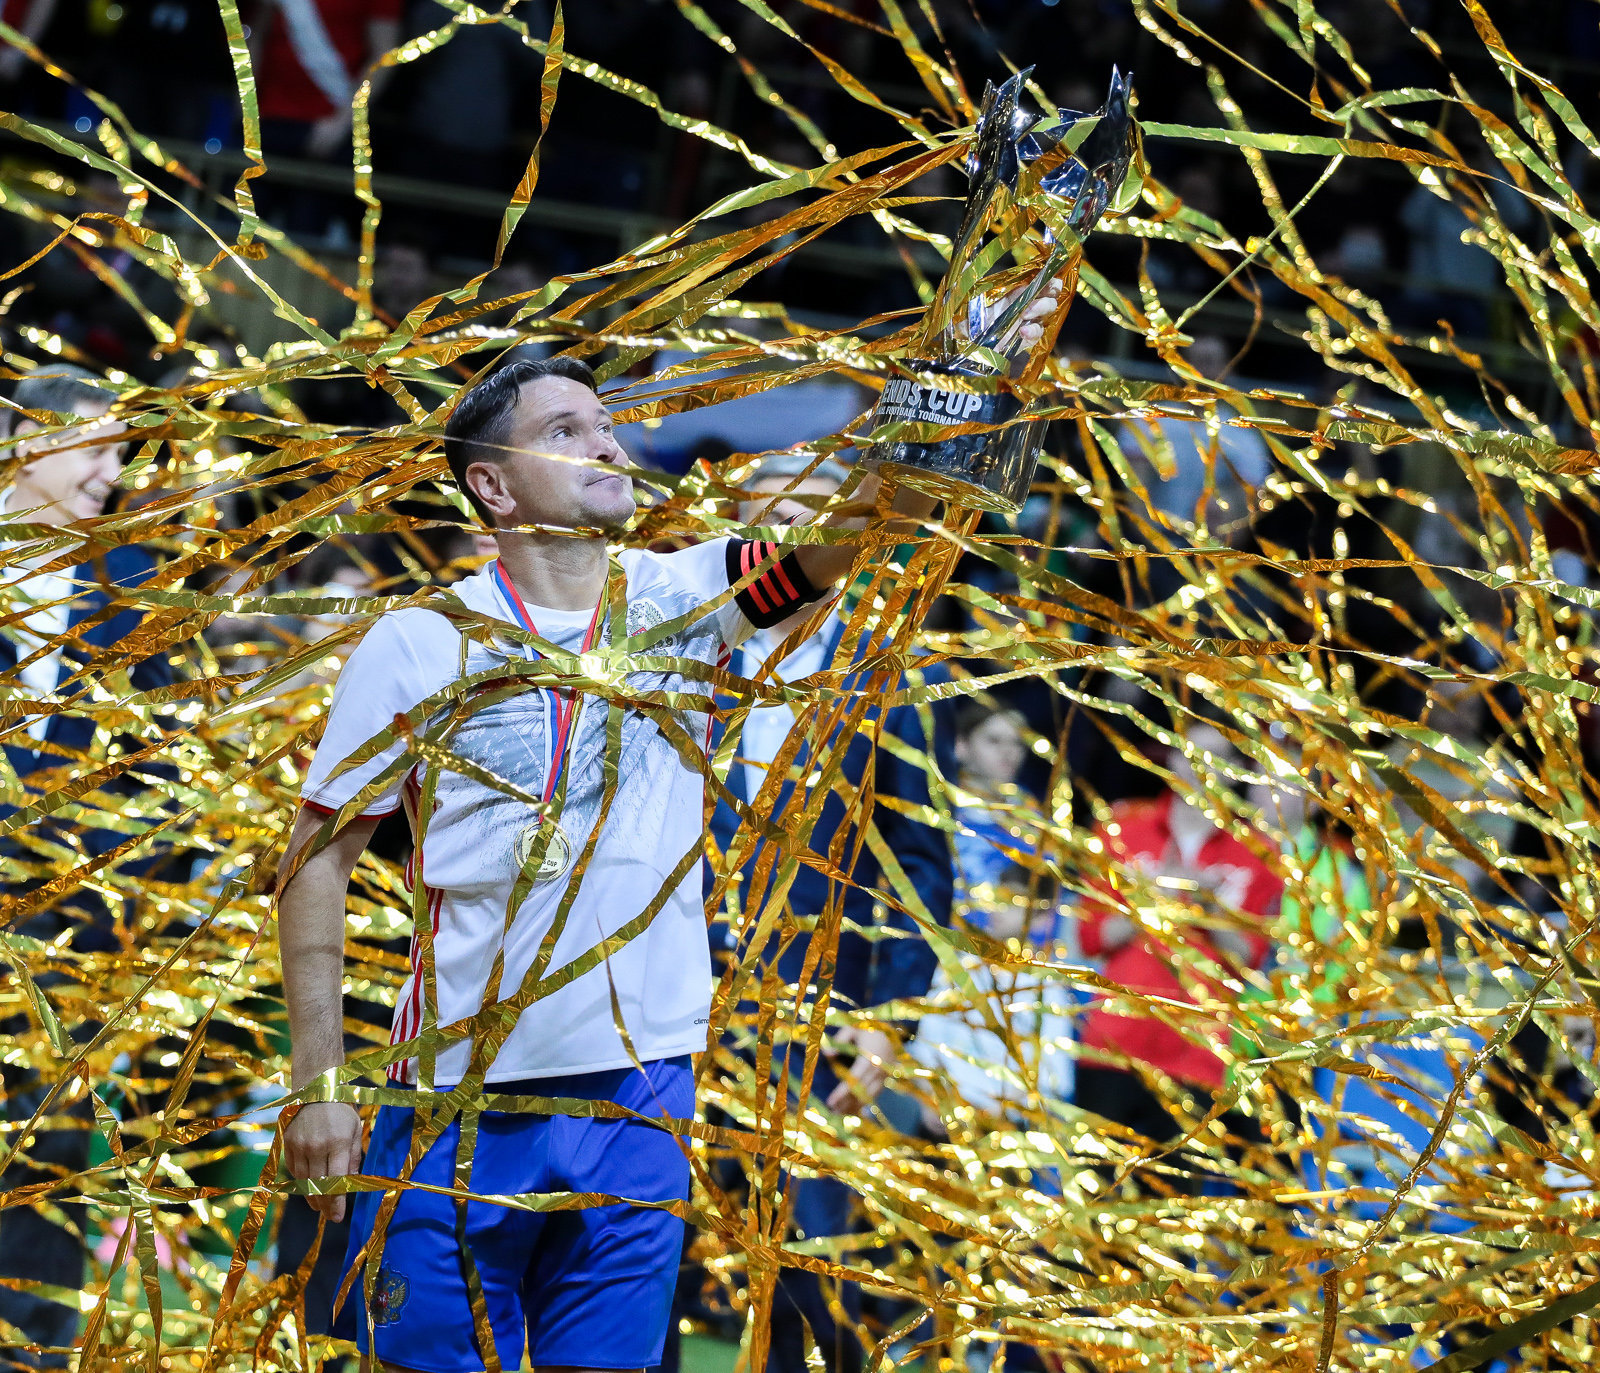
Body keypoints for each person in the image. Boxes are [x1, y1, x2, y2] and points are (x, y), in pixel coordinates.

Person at [277, 279, 1061, 1373]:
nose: (605, 444)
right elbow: (316, 858)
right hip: (452, 1091)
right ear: (493, 485)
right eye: (565, 429)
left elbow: (854, 526)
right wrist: (317, 1077)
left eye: (606, 423)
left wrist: (962, 373)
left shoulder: (687, 597)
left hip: (642, 1094)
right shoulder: (416, 641)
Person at [704, 450, 958, 1373]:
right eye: (762, 513)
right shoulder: (693, 650)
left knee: (811, 1268)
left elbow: (922, 866)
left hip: (818, 1022)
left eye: (808, 508)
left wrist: (892, 1017)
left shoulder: (889, 665)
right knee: (646, 1253)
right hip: (669, 1002)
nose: (788, 532)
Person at [0, 364, 172, 1372]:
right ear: (25, 444)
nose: (115, 472)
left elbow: (164, 775)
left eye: (122, 453)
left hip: (72, 951)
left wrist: (124, 921)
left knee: (44, 1175)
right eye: (97, 448)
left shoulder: (135, 587)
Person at [1074, 719, 1282, 1175]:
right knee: (1092, 1206)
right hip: (1114, 1044)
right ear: (1171, 760)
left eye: (1219, 759)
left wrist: (1208, 906)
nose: (1203, 769)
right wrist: (1149, 901)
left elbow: (1247, 959)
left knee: (1170, 1218)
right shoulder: (1122, 831)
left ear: (1236, 771)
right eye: (1191, 756)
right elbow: (1091, 938)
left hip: (1196, 1053)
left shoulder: (1257, 852)